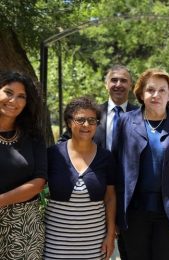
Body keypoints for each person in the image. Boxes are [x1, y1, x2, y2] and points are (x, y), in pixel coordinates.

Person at [114, 68, 169, 259]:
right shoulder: (125, 122)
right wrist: (114, 214)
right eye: (150, 90)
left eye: (162, 90)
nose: (156, 95)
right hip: (134, 214)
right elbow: (116, 168)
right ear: (141, 94)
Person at [43, 97, 116, 259]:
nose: (86, 125)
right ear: (69, 122)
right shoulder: (52, 155)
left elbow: (110, 197)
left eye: (92, 120)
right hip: (56, 244)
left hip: (94, 245)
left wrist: (110, 235)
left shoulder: (106, 157)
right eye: (80, 120)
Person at [0, 71, 47, 259]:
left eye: (21, 96)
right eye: (8, 92)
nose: (14, 101)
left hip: (24, 225)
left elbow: (39, 181)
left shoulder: (33, 135)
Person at [59, 65, 138, 151]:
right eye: (114, 80)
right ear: (106, 85)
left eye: (123, 81)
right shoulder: (93, 113)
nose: (118, 85)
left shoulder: (140, 115)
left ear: (130, 86)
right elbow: (66, 140)